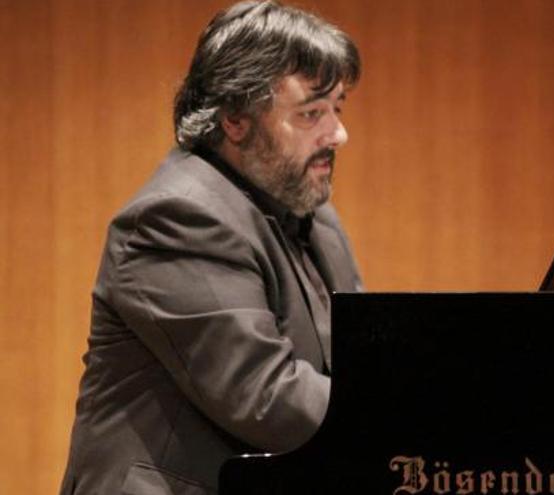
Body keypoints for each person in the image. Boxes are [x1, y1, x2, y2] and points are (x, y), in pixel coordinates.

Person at [60, 2, 362, 493]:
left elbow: (363, 355)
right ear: (235, 119)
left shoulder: (314, 216)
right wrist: (414, 410)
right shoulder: (178, 217)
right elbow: (265, 396)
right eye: (311, 113)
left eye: (337, 109)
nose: (338, 134)